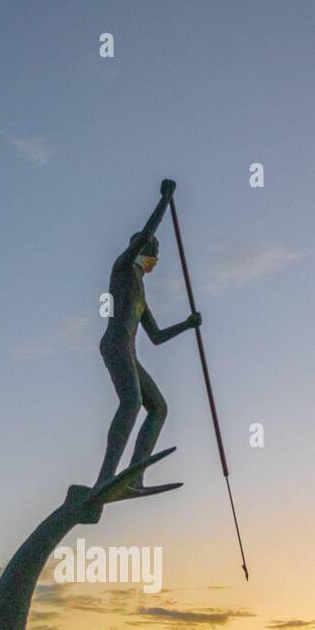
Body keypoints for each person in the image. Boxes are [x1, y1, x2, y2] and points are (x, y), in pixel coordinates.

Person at [94, 179, 201, 490]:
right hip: (115, 346)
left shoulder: (141, 294)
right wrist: (165, 200)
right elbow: (145, 231)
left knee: (158, 407)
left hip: (130, 353)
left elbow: (156, 336)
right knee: (131, 402)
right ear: (141, 250)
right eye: (151, 250)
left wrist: (188, 324)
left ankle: (135, 475)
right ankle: (105, 477)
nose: (155, 258)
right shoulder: (123, 270)